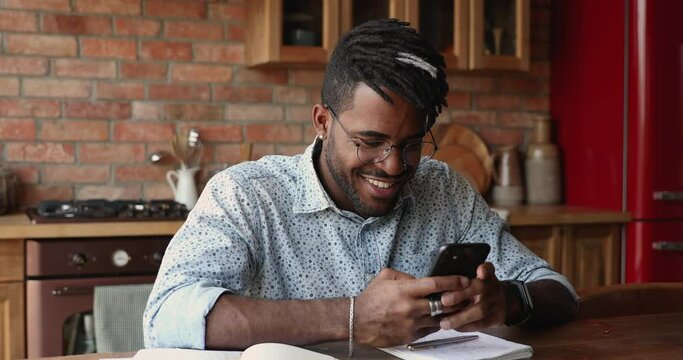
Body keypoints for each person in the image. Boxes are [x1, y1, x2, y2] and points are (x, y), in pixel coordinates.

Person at [143, 18, 578, 352]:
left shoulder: (443, 189)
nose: (393, 166)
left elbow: (559, 290)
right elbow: (166, 317)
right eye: (370, 142)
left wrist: (509, 300)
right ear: (322, 121)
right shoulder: (246, 195)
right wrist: (351, 317)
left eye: (411, 144)